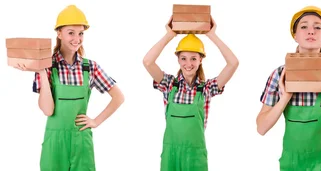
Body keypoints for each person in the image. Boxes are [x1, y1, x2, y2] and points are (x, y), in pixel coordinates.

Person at [16, 5, 125, 171]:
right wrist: (41, 71)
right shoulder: (46, 65)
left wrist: (96, 121)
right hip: (55, 142)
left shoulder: (90, 67)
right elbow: (47, 110)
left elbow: (119, 97)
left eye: (81, 33)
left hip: (81, 139)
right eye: (71, 32)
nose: (77, 38)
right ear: (59, 34)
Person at [255, 5, 321, 171]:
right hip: (292, 162)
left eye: (317, 27)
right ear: (295, 36)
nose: (311, 31)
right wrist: (285, 97)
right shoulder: (280, 74)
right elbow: (261, 128)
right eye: (304, 26)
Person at [143, 15, 239, 171]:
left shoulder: (207, 88)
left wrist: (212, 35)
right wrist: (169, 35)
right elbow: (147, 62)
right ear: (178, 60)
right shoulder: (168, 85)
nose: (188, 64)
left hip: (195, 155)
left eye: (194, 58)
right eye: (184, 58)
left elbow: (233, 63)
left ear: (201, 60)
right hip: (171, 155)